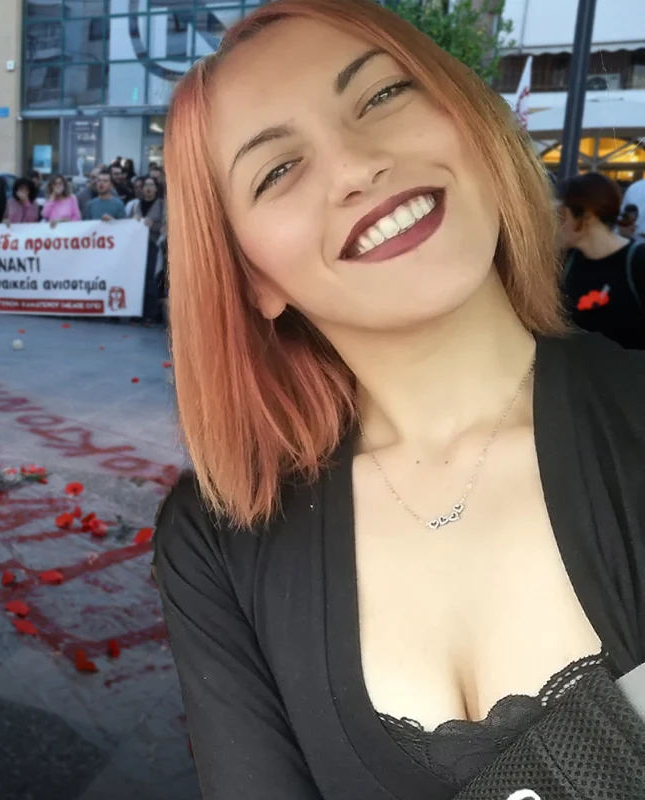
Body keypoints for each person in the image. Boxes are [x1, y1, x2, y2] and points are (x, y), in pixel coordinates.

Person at [154, 0, 645, 797]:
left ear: (472, 123)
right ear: (253, 279)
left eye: (382, 96)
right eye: (277, 170)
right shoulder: (219, 541)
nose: (356, 167)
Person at [557, 173, 645, 350]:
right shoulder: (565, 262)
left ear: (587, 217)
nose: (555, 224)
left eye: (561, 216)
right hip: (578, 366)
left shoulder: (638, 261)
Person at [132, 175, 166, 323]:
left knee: (150, 279)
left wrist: (153, 225)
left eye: (151, 185)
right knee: (137, 278)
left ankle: (149, 314)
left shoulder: (161, 205)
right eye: (146, 185)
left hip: (153, 244)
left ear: (156, 189)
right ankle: (135, 313)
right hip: (136, 246)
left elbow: (165, 227)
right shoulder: (136, 205)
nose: (148, 188)